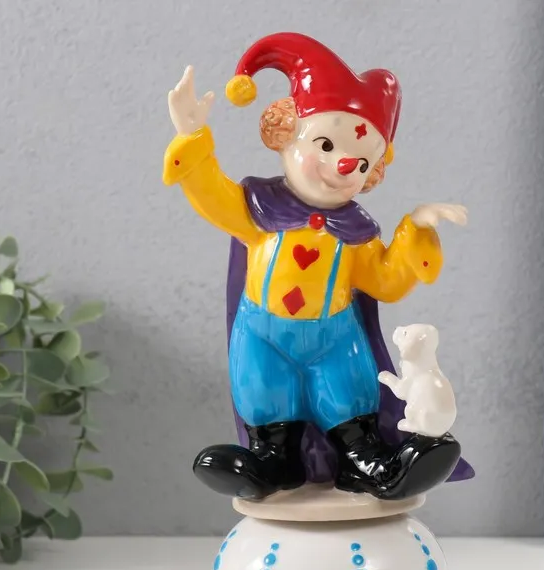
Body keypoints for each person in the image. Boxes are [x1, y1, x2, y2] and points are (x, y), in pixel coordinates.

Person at [163, 33, 474, 501]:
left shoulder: (356, 233)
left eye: (362, 161)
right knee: (265, 389)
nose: (344, 164)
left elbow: (386, 281)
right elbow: (209, 192)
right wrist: (191, 135)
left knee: (347, 395)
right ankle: (272, 460)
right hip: (263, 333)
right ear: (284, 134)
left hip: (335, 337)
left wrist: (416, 228)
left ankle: (366, 462)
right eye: (325, 143)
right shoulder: (258, 211)